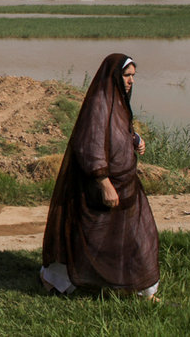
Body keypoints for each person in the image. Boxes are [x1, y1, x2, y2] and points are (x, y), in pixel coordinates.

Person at [41, 54, 159, 298]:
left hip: (126, 185)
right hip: (103, 189)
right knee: (91, 237)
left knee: (137, 236)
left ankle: (142, 289)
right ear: (114, 76)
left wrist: (134, 139)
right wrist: (104, 183)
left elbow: (117, 130)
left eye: (133, 76)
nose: (131, 81)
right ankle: (56, 280)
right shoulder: (99, 103)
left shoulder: (118, 101)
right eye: (127, 76)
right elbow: (90, 145)